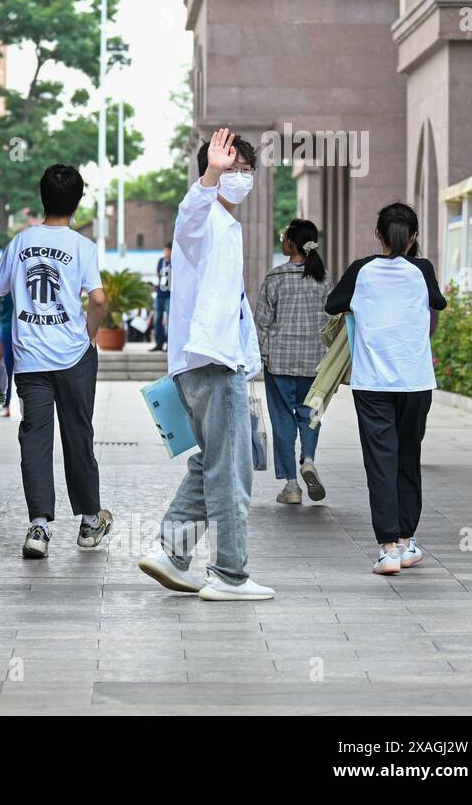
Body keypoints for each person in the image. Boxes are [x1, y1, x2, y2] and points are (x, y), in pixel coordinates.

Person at [137, 128, 275, 601]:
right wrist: (212, 174)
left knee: (213, 463)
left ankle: (170, 552)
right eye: (231, 168)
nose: (242, 178)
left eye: (245, 170)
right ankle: (229, 575)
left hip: (208, 363)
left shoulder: (225, 226)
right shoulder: (205, 218)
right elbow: (189, 215)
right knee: (232, 470)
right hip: (212, 365)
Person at [0, 164, 112, 558]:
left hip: (31, 362)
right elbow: (99, 299)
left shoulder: (20, 243)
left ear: (43, 197)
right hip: (74, 356)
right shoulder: (82, 247)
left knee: (35, 439)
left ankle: (38, 528)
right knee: (79, 435)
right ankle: (90, 522)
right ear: (76, 203)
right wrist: (90, 333)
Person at [325, 203, 447, 576]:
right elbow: (438, 303)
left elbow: (333, 304)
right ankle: (408, 541)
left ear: (378, 235)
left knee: (381, 461)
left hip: (373, 383)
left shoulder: (361, 270)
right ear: (413, 237)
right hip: (415, 382)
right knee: (408, 458)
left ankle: (388, 548)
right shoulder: (422, 270)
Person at [255, 219, 332, 505]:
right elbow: (332, 322)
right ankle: (308, 460)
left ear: (291, 244)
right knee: (311, 415)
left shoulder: (275, 278)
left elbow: (262, 323)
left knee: (283, 419)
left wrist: (260, 356)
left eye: (283, 237)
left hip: (279, 362)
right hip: (316, 364)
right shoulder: (324, 279)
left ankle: (291, 486)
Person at [152, 243, 172, 351]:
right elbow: (157, 273)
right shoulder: (161, 261)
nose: (166, 253)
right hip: (160, 294)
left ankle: (169, 344)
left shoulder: (175, 261)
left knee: (169, 321)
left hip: (170, 294)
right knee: (157, 319)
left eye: (168, 250)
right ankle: (158, 343)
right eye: (165, 250)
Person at [0, 292, 15, 418]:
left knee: (5, 370)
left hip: (7, 329)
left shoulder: (3, 286)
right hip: (27, 330)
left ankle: (5, 405)